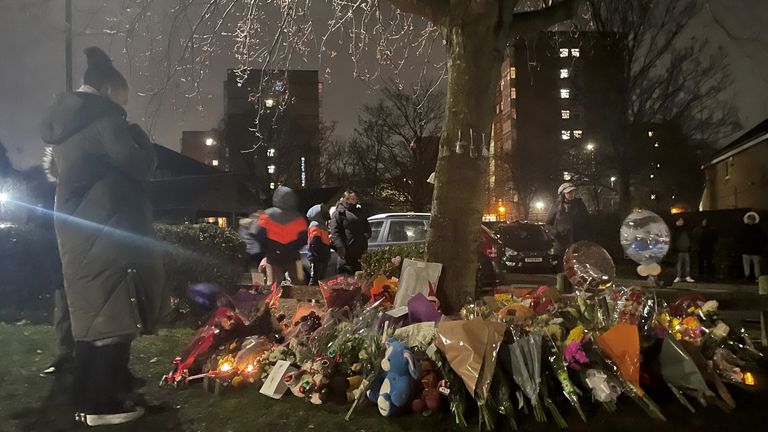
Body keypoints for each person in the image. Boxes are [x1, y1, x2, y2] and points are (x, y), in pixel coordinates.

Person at [40, 47, 165, 426]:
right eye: (124, 99)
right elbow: (139, 164)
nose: (125, 108)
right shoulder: (104, 118)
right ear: (110, 90)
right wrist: (141, 138)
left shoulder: (68, 129)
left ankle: (91, 397)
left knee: (93, 322)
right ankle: (103, 406)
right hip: (107, 232)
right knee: (113, 319)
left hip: (81, 231)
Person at [254, 186, 307, 287]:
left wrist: (267, 249)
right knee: (300, 281)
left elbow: (259, 235)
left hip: (273, 256)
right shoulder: (299, 217)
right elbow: (303, 238)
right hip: (294, 256)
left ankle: (272, 302)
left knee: (273, 284)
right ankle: (303, 301)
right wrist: (293, 247)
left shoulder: (267, 215)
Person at [330, 190, 371, 275]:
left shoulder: (360, 212)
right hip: (346, 253)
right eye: (353, 199)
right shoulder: (339, 214)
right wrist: (340, 247)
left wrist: (365, 236)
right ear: (346, 199)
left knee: (360, 277)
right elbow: (335, 232)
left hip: (360, 250)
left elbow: (367, 227)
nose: (355, 201)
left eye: (355, 199)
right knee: (346, 279)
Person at [545, 182, 589, 258]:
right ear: (563, 194)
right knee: (561, 266)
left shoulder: (580, 205)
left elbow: (587, 222)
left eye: (572, 192)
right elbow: (548, 224)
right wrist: (554, 233)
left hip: (577, 244)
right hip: (560, 245)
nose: (571, 194)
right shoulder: (556, 206)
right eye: (568, 192)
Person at [306, 204, 332, 285]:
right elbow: (314, 241)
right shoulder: (315, 225)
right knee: (315, 278)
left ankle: (317, 296)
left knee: (320, 279)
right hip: (317, 257)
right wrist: (316, 254)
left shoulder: (322, 226)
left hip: (322, 256)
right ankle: (310, 296)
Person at [739, 211, 766, 281]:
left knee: (755, 264)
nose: (750, 220)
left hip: (754, 250)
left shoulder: (758, 229)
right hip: (749, 250)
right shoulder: (744, 229)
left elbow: (762, 239)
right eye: (749, 219)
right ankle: (748, 275)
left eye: (751, 219)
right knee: (749, 264)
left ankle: (756, 276)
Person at [672, 217, 694, 283]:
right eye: (680, 221)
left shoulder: (686, 229)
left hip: (686, 250)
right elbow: (673, 240)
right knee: (679, 265)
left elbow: (689, 238)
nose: (681, 222)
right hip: (679, 250)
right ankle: (678, 276)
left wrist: (690, 246)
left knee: (687, 264)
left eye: (682, 220)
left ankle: (687, 276)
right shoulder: (675, 230)